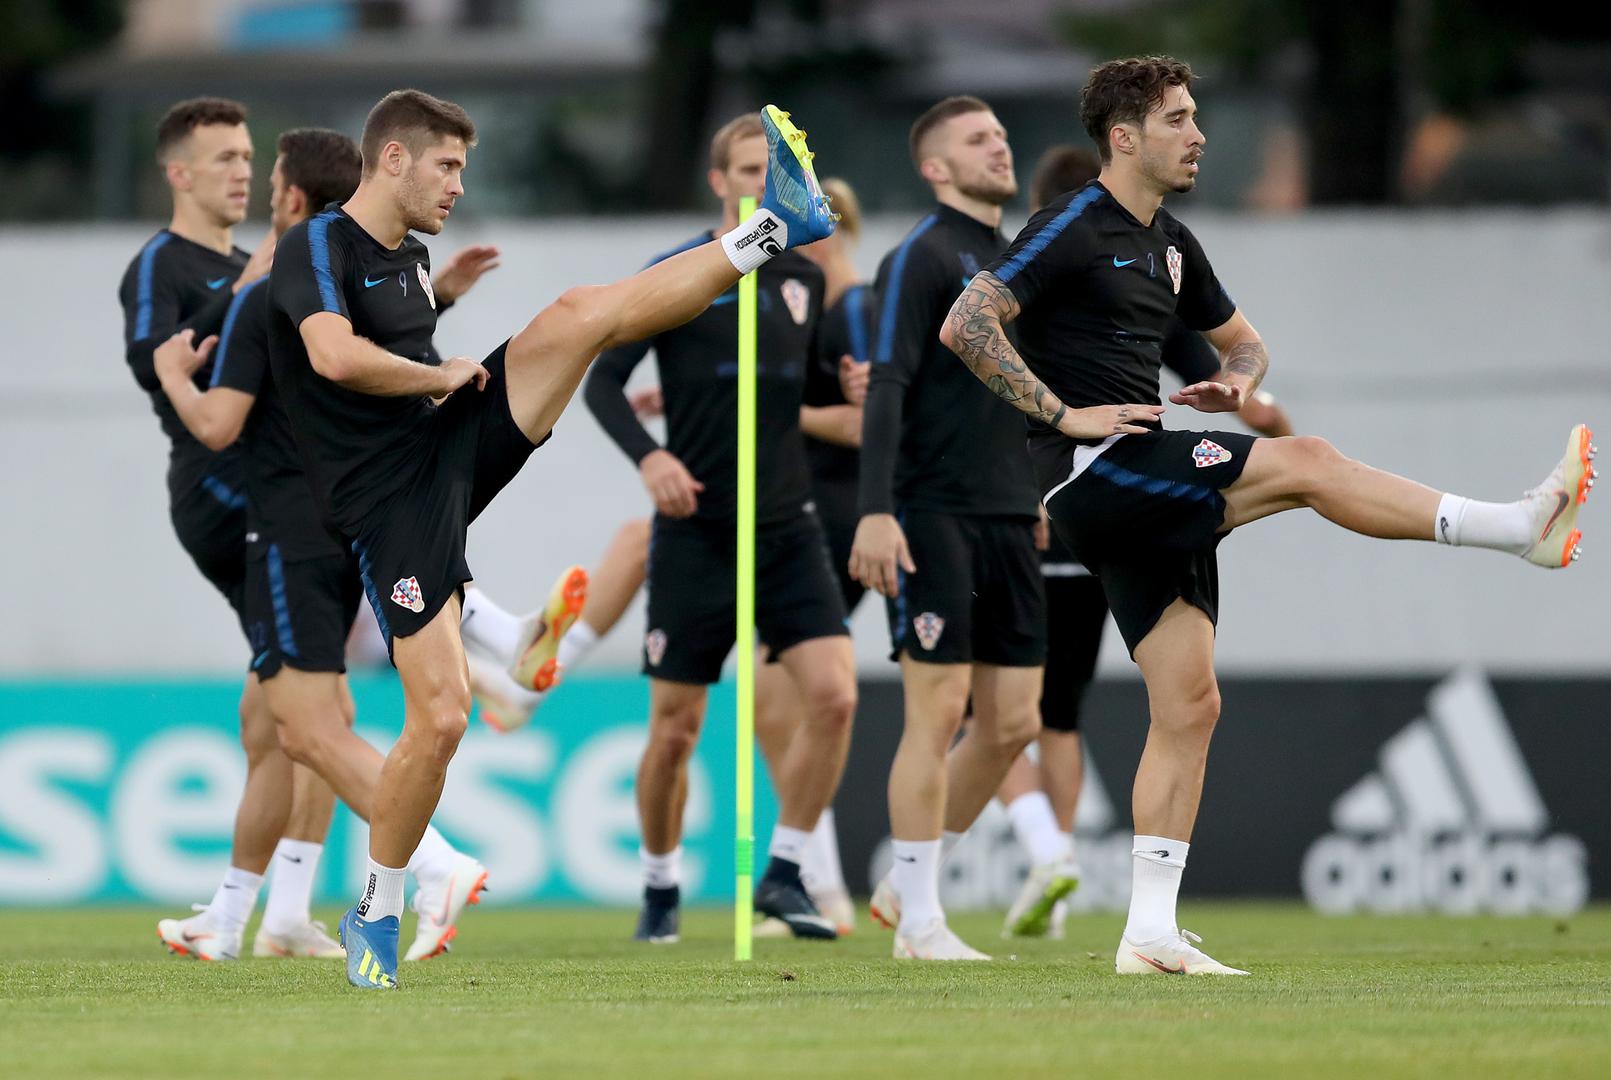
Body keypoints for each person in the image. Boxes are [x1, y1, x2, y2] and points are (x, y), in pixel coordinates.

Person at [941, 55, 1594, 975]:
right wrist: (1060, 414)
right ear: (1123, 137)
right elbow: (966, 323)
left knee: (1190, 704)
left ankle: (1148, 935)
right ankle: (1514, 528)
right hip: (1092, 472)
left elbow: (1245, 342)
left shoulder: (1172, 243)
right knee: (1308, 463)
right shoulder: (1070, 223)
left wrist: (1235, 382)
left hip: (1139, 480)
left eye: (1193, 115)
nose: (1198, 134)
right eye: (1176, 119)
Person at [265, 91, 835, 988]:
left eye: (462, 167)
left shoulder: (411, 258)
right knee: (442, 716)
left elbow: (396, 351)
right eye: (448, 166)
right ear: (393, 159)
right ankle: (377, 906)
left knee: (579, 313)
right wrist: (435, 373)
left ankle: (773, 229)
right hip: (383, 505)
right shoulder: (314, 244)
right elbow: (333, 356)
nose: (459, 185)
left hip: (439, 446)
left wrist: (441, 343)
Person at [151, 126, 530, 964]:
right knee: (278, 725)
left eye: (266, 180)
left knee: (311, 730)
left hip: (286, 533)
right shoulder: (360, 284)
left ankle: (436, 863)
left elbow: (218, 424)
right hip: (346, 526)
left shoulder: (268, 292)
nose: (257, 189)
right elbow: (382, 356)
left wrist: (174, 375)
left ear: (291, 198)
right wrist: (444, 303)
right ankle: (257, 915)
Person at [994, 144, 1294, 940]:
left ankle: (1043, 855)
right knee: (1059, 716)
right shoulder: (1136, 281)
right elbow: (1227, 381)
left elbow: (983, 392)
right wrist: (1267, 418)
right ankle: (1059, 868)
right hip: (1111, 511)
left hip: (1038, 512)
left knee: (989, 713)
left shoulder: (1039, 278)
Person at [584, 114, 856, 944]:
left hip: (786, 527)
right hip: (695, 529)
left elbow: (814, 390)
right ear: (716, 181)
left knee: (834, 696)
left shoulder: (803, 277)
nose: (756, 185)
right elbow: (602, 381)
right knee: (675, 730)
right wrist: (650, 458)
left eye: (767, 172)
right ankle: (659, 885)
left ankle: (785, 874)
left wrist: (855, 388)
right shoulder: (676, 272)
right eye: (742, 170)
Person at [120, 98, 338, 961]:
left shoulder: (257, 262)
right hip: (223, 490)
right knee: (318, 712)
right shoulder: (161, 263)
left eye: (249, 157)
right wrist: (240, 298)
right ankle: (429, 859)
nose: (243, 171)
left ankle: (266, 915)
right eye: (224, 158)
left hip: (271, 485)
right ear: (179, 173)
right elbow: (155, 363)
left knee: (284, 717)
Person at [848, 96, 1045, 961]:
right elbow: (887, 381)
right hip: (930, 511)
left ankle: (907, 881)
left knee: (1012, 723)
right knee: (935, 713)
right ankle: (920, 921)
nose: (998, 147)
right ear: (935, 167)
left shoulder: (1019, 259)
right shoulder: (918, 255)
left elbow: (1022, 389)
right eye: (976, 139)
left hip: (1009, 511)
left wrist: (1036, 491)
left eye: (999, 135)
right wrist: (875, 509)